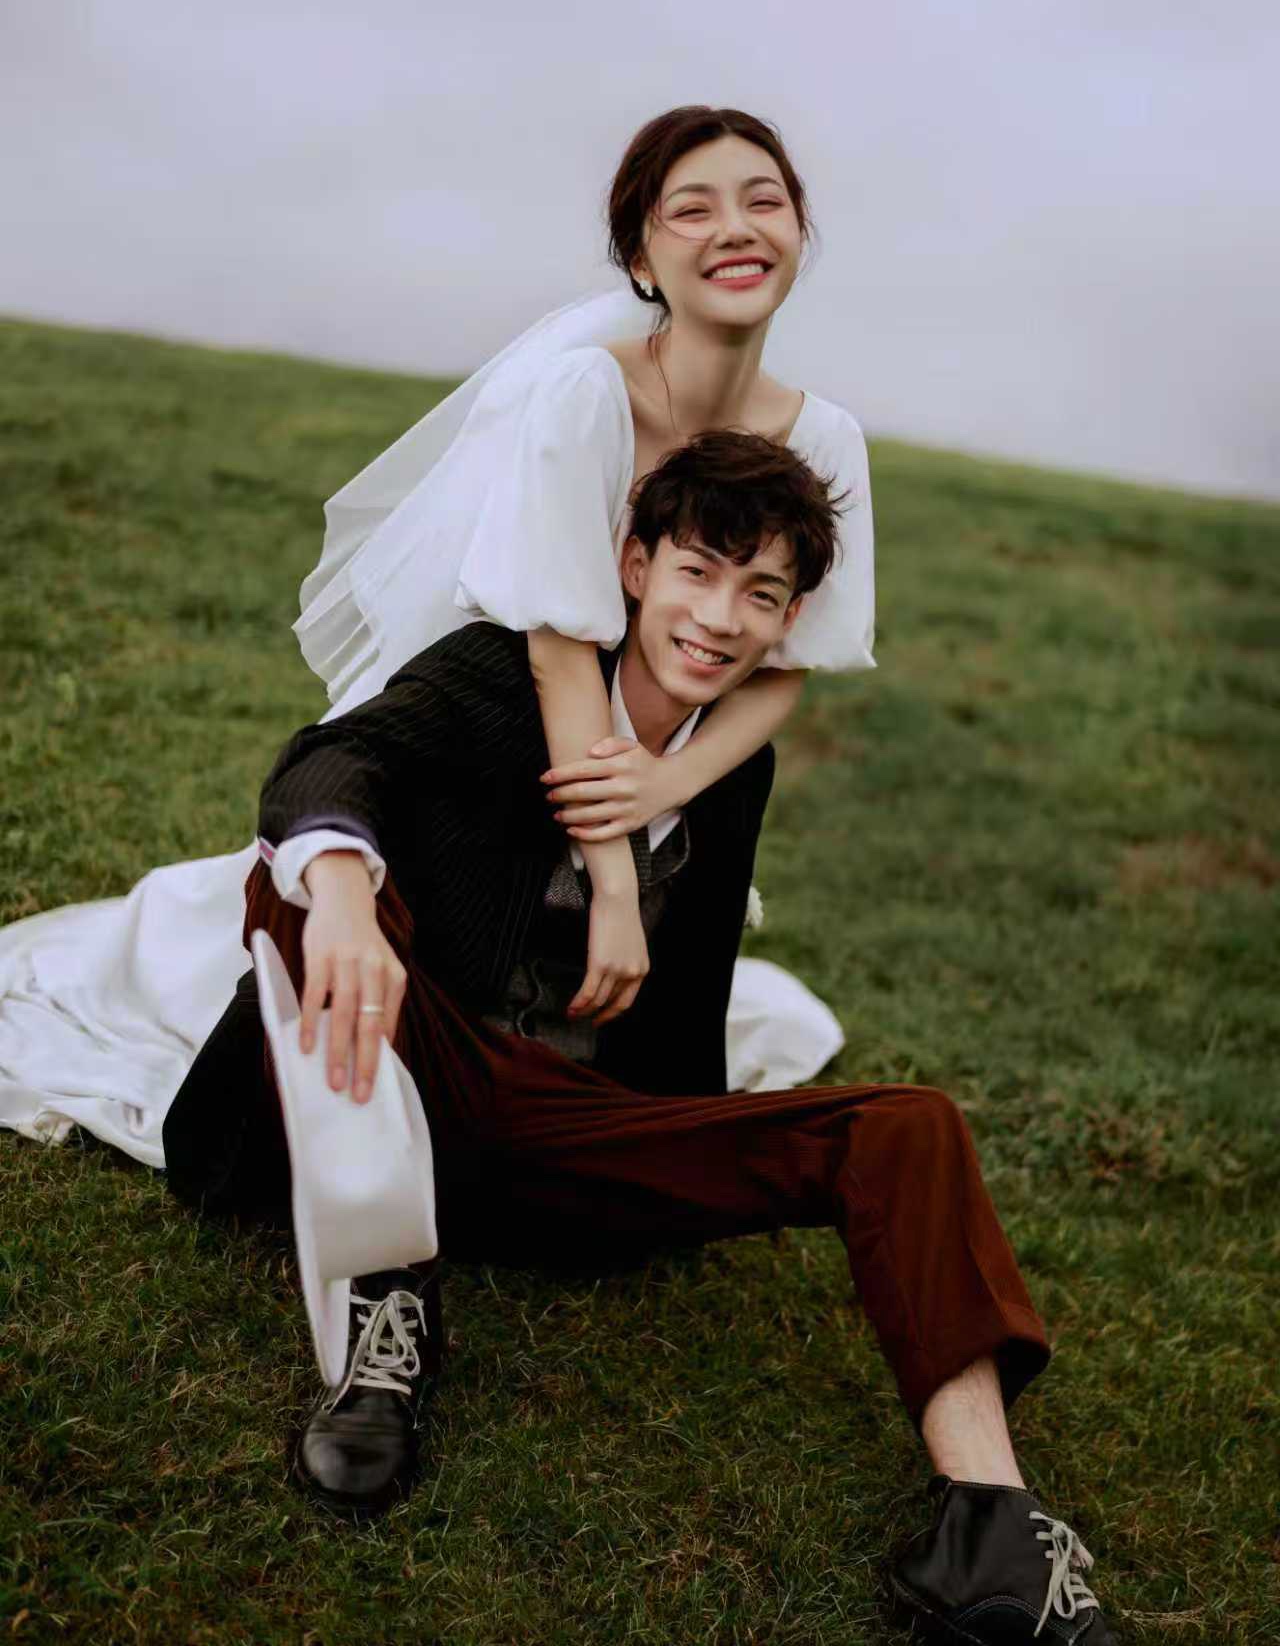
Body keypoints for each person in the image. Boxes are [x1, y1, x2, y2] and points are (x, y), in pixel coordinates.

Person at [164, 434, 1114, 1645]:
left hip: (558, 1133)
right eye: (697, 571)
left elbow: (684, 998)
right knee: (302, 886)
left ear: (788, 621)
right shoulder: (501, 672)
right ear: (632, 566)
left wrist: (675, 1142)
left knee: (907, 1127)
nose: (717, 618)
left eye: (758, 593)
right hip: (406, 1069)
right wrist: (346, 904)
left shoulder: (729, 767)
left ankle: (986, 1522)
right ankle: (384, 1315)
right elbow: (328, 761)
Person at [0, 111, 869, 1151]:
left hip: (658, 729)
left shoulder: (825, 438)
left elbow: (789, 665)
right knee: (424, 914)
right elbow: (556, 647)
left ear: (798, 231)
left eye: (763, 201)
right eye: (693, 209)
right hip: (509, 710)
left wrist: (665, 786)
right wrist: (614, 878)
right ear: (642, 259)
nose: (735, 228)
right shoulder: (586, 393)